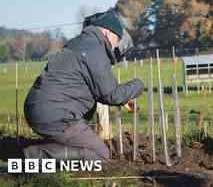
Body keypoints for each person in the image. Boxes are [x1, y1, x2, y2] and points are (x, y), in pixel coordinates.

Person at [22, 9, 144, 161]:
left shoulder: (82, 44)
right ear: (108, 32)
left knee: (82, 145)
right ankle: (36, 157)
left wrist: (123, 96)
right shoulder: (96, 50)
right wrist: (138, 85)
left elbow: (94, 85)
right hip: (55, 115)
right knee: (100, 154)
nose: (117, 45)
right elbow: (111, 95)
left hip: (41, 109)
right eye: (117, 39)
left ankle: (54, 148)